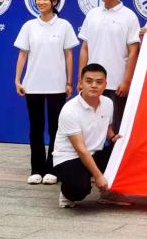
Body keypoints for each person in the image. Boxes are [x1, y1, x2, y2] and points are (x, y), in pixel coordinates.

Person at [13, 0, 80, 185]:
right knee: (35, 128)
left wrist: (69, 81)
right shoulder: (29, 26)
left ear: (55, 2)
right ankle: (36, 169)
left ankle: (52, 168)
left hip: (57, 86)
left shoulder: (64, 25)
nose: (41, 2)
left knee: (55, 129)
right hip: (32, 84)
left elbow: (69, 55)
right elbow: (22, 54)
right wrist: (18, 79)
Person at [52, 63, 132, 208]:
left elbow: (107, 127)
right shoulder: (70, 110)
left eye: (99, 82)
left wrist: (113, 138)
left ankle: (109, 193)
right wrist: (98, 176)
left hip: (94, 153)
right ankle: (67, 192)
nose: (94, 85)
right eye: (89, 81)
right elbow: (81, 149)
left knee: (126, 150)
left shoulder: (108, 103)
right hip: (70, 158)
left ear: (105, 84)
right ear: (80, 83)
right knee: (79, 189)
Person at [78, 0, 141, 134]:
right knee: (90, 126)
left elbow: (133, 51)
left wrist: (126, 81)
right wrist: (81, 78)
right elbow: (85, 48)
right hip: (91, 82)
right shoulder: (92, 14)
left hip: (116, 83)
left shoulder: (129, 16)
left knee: (115, 128)